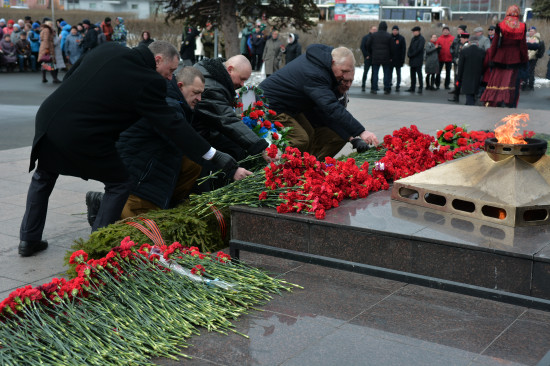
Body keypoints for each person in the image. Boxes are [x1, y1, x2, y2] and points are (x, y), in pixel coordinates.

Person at [18, 41, 238, 257]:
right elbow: (172, 125)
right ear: (157, 60)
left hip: (50, 116)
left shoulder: (109, 48)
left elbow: (72, 75)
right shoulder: (149, 80)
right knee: (120, 182)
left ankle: (28, 239)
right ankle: (97, 248)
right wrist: (214, 155)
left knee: (44, 175)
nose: (171, 77)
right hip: (83, 133)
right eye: (170, 71)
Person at [259, 45, 379, 160]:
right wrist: (361, 131)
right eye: (343, 71)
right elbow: (331, 107)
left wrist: (352, 138)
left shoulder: (326, 66)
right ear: (333, 63)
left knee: (309, 133)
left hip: (290, 106)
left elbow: (327, 111)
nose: (344, 77)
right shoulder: (315, 74)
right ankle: (285, 173)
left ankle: (308, 168)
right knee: (300, 140)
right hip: (271, 103)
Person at [193, 55, 270, 164]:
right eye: (242, 79)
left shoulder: (213, 74)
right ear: (230, 70)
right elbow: (227, 120)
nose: (242, 84)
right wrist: (260, 146)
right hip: (200, 140)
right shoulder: (212, 88)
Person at [481, 5, 528, 108]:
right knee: (511, 81)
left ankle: (494, 101)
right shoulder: (522, 26)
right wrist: (524, 59)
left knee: (497, 80)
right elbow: (523, 45)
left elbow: (495, 43)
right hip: (514, 57)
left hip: (500, 57)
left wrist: (491, 57)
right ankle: (509, 102)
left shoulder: (501, 25)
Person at [456, 33, 486, 105]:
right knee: (474, 94)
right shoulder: (482, 52)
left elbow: (460, 66)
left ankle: (470, 107)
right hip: (477, 76)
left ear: (469, 42)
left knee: (468, 96)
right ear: (477, 42)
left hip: (466, 76)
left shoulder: (464, 51)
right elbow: (484, 65)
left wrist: (459, 78)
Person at [366, 21, 393, 95]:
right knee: (386, 73)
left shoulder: (374, 35)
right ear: (386, 28)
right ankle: (387, 89)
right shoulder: (389, 36)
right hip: (386, 57)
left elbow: (368, 45)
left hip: (375, 57)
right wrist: (391, 56)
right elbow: (392, 47)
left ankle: (374, 88)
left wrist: (371, 53)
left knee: (375, 73)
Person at [406, 26, 425, 94]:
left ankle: (420, 87)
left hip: (418, 59)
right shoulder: (413, 39)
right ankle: (412, 87)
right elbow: (410, 47)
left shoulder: (421, 39)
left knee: (419, 74)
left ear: (418, 31)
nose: (413, 33)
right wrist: (408, 54)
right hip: (412, 59)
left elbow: (419, 49)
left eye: (414, 31)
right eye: (413, 32)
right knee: (412, 74)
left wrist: (412, 54)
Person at [435, 25, 454, 90]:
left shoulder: (452, 38)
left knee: (448, 72)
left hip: (449, 58)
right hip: (440, 58)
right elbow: (436, 47)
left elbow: (454, 47)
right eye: (444, 30)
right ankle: (437, 84)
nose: (445, 32)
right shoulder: (439, 38)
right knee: (438, 72)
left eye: (447, 30)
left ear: (449, 31)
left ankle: (447, 85)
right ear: (442, 31)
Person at [524, 26, 543, 91]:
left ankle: (530, 86)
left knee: (530, 71)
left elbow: (533, 51)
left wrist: (528, 57)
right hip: (530, 57)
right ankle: (529, 85)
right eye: (529, 31)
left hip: (532, 58)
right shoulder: (531, 38)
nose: (530, 32)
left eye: (531, 31)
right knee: (530, 71)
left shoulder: (535, 38)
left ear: (535, 32)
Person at [449, 25, 467, 92]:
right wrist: (453, 54)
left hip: (463, 60)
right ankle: (456, 88)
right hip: (456, 59)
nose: (458, 30)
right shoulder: (456, 38)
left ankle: (462, 88)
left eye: (460, 29)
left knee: (462, 75)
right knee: (456, 75)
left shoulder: (466, 37)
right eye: (458, 29)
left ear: (463, 30)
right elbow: (452, 47)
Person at [360, 25, 377, 92]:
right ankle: (363, 85)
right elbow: (362, 47)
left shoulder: (377, 38)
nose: (375, 31)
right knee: (366, 72)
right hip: (368, 58)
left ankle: (373, 86)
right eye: (373, 29)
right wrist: (366, 55)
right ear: (370, 30)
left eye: (376, 29)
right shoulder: (366, 37)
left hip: (375, 58)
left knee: (374, 73)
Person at [390, 25, 406, 92]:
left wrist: (402, 59)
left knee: (398, 73)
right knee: (389, 73)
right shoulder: (389, 37)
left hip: (398, 59)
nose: (395, 31)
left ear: (398, 31)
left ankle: (398, 85)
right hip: (390, 59)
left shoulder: (401, 38)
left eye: (396, 30)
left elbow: (403, 49)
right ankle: (389, 84)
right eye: (393, 30)